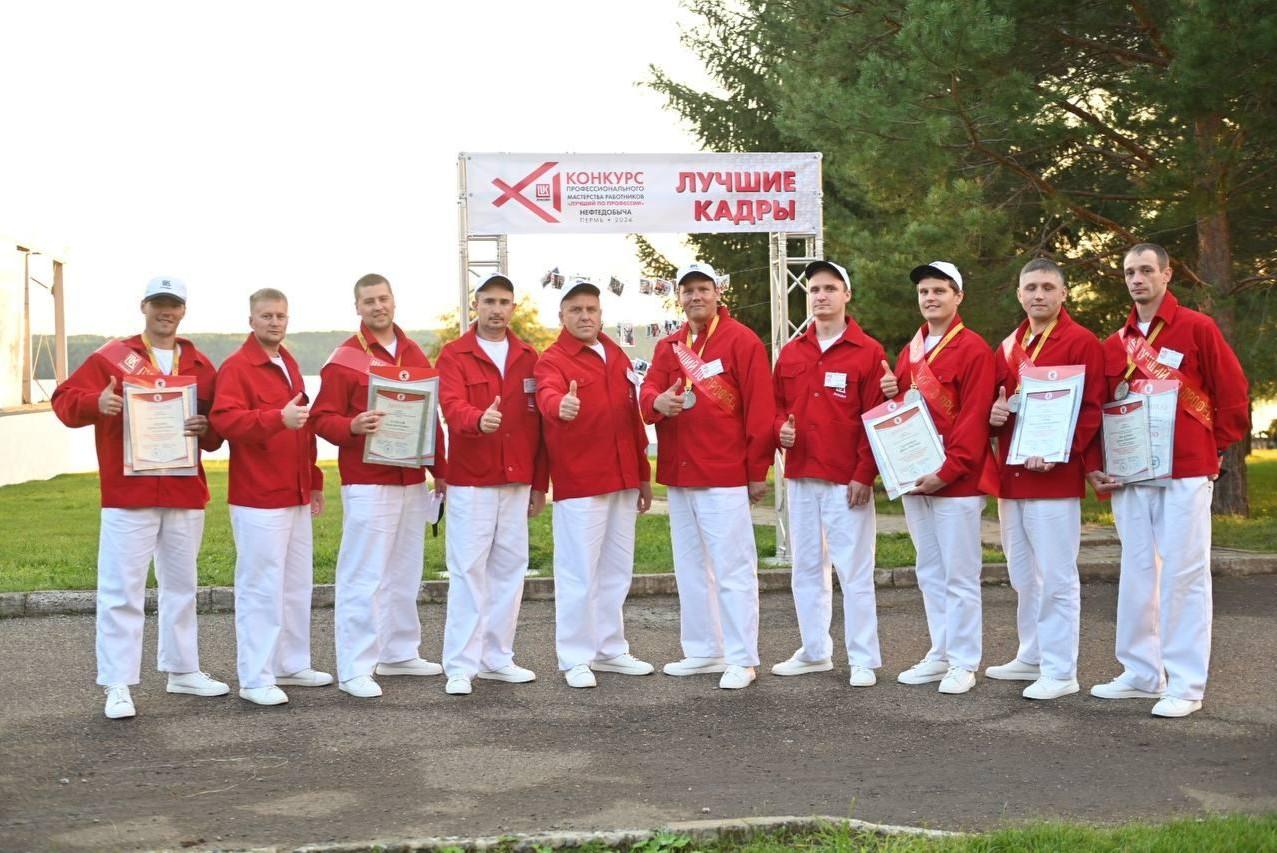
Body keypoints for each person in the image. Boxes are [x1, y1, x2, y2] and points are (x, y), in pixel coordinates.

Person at [51, 276, 229, 719]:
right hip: (128, 491)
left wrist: (208, 428)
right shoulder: (112, 356)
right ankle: (117, 683)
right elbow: (63, 401)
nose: (166, 312)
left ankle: (183, 670)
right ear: (144, 306)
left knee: (182, 587)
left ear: (183, 310)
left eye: (174, 305)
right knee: (121, 590)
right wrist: (96, 403)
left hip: (183, 490)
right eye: (158, 303)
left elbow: (215, 432)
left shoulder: (201, 364)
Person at [1085, 243, 1249, 718]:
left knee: (1184, 573)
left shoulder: (1197, 327)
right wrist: (1095, 463)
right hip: (1130, 473)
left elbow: (1233, 393)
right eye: (1129, 272)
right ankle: (1141, 672)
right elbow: (1098, 408)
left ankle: (1186, 684)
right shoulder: (1114, 344)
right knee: (1138, 570)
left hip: (1184, 470)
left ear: (1166, 274)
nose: (1137, 279)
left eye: (1145, 270)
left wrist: (1214, 446)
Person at [639, 262, 776, 690]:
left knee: (733, 570)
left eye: (703, 288)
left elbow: (761, 409)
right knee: (691, 569)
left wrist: (757, 470)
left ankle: (742, 658)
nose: (695, 296)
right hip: (680, 474)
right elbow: (647, 391)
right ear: (678, 297)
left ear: (718, 293)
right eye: (688, 290)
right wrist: (657, 402)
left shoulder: (742, 340)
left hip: (724, 473)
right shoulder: (669, 346)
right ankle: (703, 650)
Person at [311, 273, 447, 699]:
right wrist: (351, 426)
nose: (377, 306)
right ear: (358, 307)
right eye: (368, 301)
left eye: (383, 298)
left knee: (404, 571)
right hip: (368, 480)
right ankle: (355, 667)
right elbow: (320, 419)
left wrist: (441, 471)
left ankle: (398, 653)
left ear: (393, 301)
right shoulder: (344, 359)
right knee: (364, 575)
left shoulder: (413, 352)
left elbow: (431, 417)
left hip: (411, 478)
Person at [984, 259, 1104, 700]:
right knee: (1022, 574)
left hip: (1054, 478)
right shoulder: (1007, 347)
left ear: (1063, 294)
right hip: (1012, 477)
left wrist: (1060, 452)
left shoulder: (1081, 342)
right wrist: (993, 415)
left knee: (1056, 576)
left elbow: (1092, 409)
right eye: (1031, 287)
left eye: (1048, 287)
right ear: (1019, 294)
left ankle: (1060, 670)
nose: (1039, 294)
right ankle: (1032, 654)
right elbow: (994, 405)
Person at [210, 288, 331, 706]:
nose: (274, 322)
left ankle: (291, 664)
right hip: (258, 496)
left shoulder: (288, 363)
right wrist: (276, 417)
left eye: (280, 315)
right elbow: (224, 421)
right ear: (251, 320)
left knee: (296, 584)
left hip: (294, 491)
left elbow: (305, 427)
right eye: (266, 316)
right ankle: (255, 677)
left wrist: (314, 478)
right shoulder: (237, 367)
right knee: (260, 588)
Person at [881, 261, 995, 695]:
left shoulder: (974, 349)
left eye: (939, 291)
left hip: (956, 481)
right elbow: (901, 413)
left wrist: (946, 473)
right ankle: (941, 651)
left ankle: (964, 661)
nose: (930, 298)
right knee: (929, 569)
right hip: (916, 479)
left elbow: (974, 419)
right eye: (924, 292)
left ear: (958, 297)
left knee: (960, 575)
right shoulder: (910, 351)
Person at [770, 260, 885, 687]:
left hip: (846, 480)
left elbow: (875, 417)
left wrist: (864, 474)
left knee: (854, 572)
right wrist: (778, 429)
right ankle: (815, 651)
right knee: (805, 568)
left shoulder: (868, 352)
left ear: (846, 295)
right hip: (801, 475)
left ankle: (863, 658)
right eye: (815, 289)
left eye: (830, 288)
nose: (821, 295)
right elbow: (775, 407)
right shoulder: (791, 352)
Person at [536, 281, 655, 688]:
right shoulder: (552, 361)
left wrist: (642, 475)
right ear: (562, 316)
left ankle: (609, 650)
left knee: (616, 571)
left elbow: (632, 418)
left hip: (623, 479)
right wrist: (561, 405)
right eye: (576, 310)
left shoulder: (615, 353)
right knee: (578, 574)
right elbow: (548, 396)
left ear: (601, 314)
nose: (585, 316)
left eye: (591, 309)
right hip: (581, 482)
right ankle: (575, 657)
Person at [435, 273, 548, 696]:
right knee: (468, 571)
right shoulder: (454, 354)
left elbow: (539, 426)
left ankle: (497, 658)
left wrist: (539, 483)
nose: (496, 309)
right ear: (476, 306)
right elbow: (450, 406)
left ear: (513, 308)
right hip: (473, 481)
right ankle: (460, 666)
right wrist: (476, 420)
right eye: (489, 301)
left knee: (510, 571)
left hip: (517, 480)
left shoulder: (529, 356)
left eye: (504, 302)